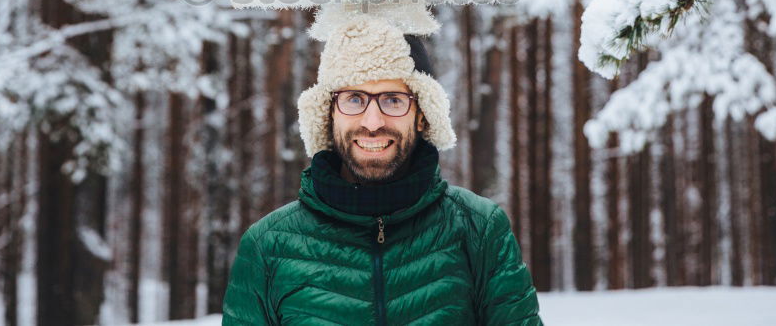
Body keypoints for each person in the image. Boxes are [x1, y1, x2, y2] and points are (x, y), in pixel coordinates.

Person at [222, 16, 543, 325]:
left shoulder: (479, 230)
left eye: (392, 100)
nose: (372, 122)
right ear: (328, 114)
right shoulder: (268, 246)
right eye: (354, 99)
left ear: (421, 115)